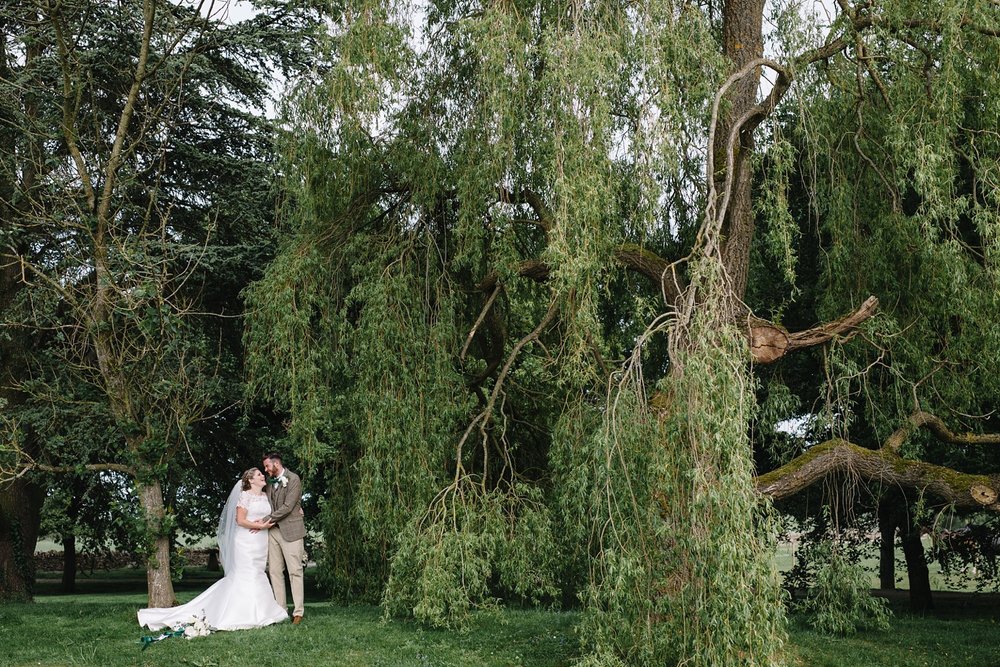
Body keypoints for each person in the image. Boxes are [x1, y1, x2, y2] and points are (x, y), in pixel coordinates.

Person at [137, 468, 288, 631]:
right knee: (248, 573)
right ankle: (246, 614)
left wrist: (267, 522)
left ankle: (264, 611)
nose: (262, 476)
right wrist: (260, 526)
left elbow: (272, 514)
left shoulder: (266, 496)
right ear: (251, 480)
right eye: (259, 474)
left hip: (260, 541)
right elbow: (240, 520)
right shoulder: (244, 496)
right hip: (246, 541)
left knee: (258, 572)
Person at [262, 451, 306, 625]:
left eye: (267, 466)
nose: (265, 470)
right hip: (273, 532)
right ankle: (281, 610)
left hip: (291, 531)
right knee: (274, 571)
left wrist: (266, 519)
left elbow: (288, 506)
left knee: (295, 571)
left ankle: (298, 612)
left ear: (276, 464)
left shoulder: (293, 479)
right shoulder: (269, 484)